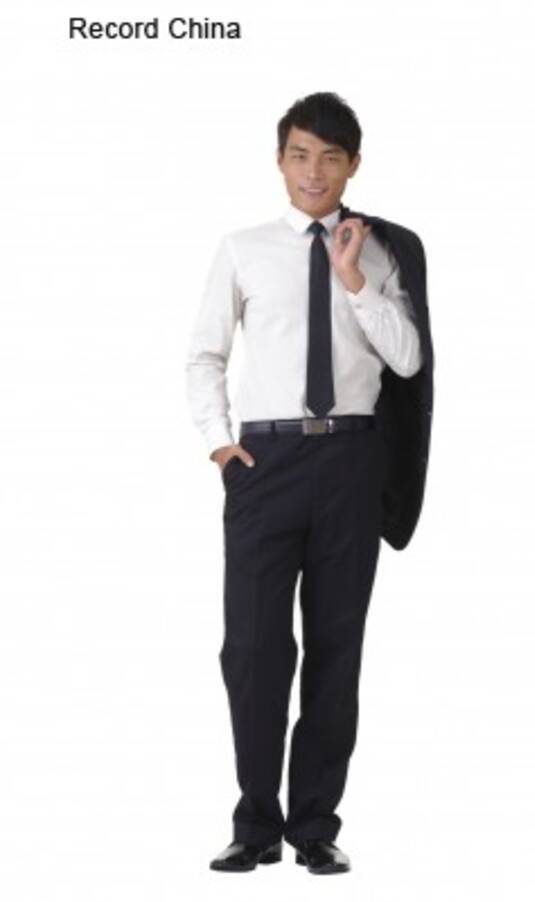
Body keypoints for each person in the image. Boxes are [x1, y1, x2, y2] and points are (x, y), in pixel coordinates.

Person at [185, 91, 427, 875]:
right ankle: (255, 823)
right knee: (253, 648)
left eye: (330, 157)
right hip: (267, 465)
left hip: (352, 462)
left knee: (335, 647)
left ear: (354, 164)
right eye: (299, 155)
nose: (313, 172)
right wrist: (221, 445)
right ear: (280, 161)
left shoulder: (381, 252)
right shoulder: (243, 248)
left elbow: (408, 360)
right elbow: (205, 355)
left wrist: (354, 279)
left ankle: (315, 825)